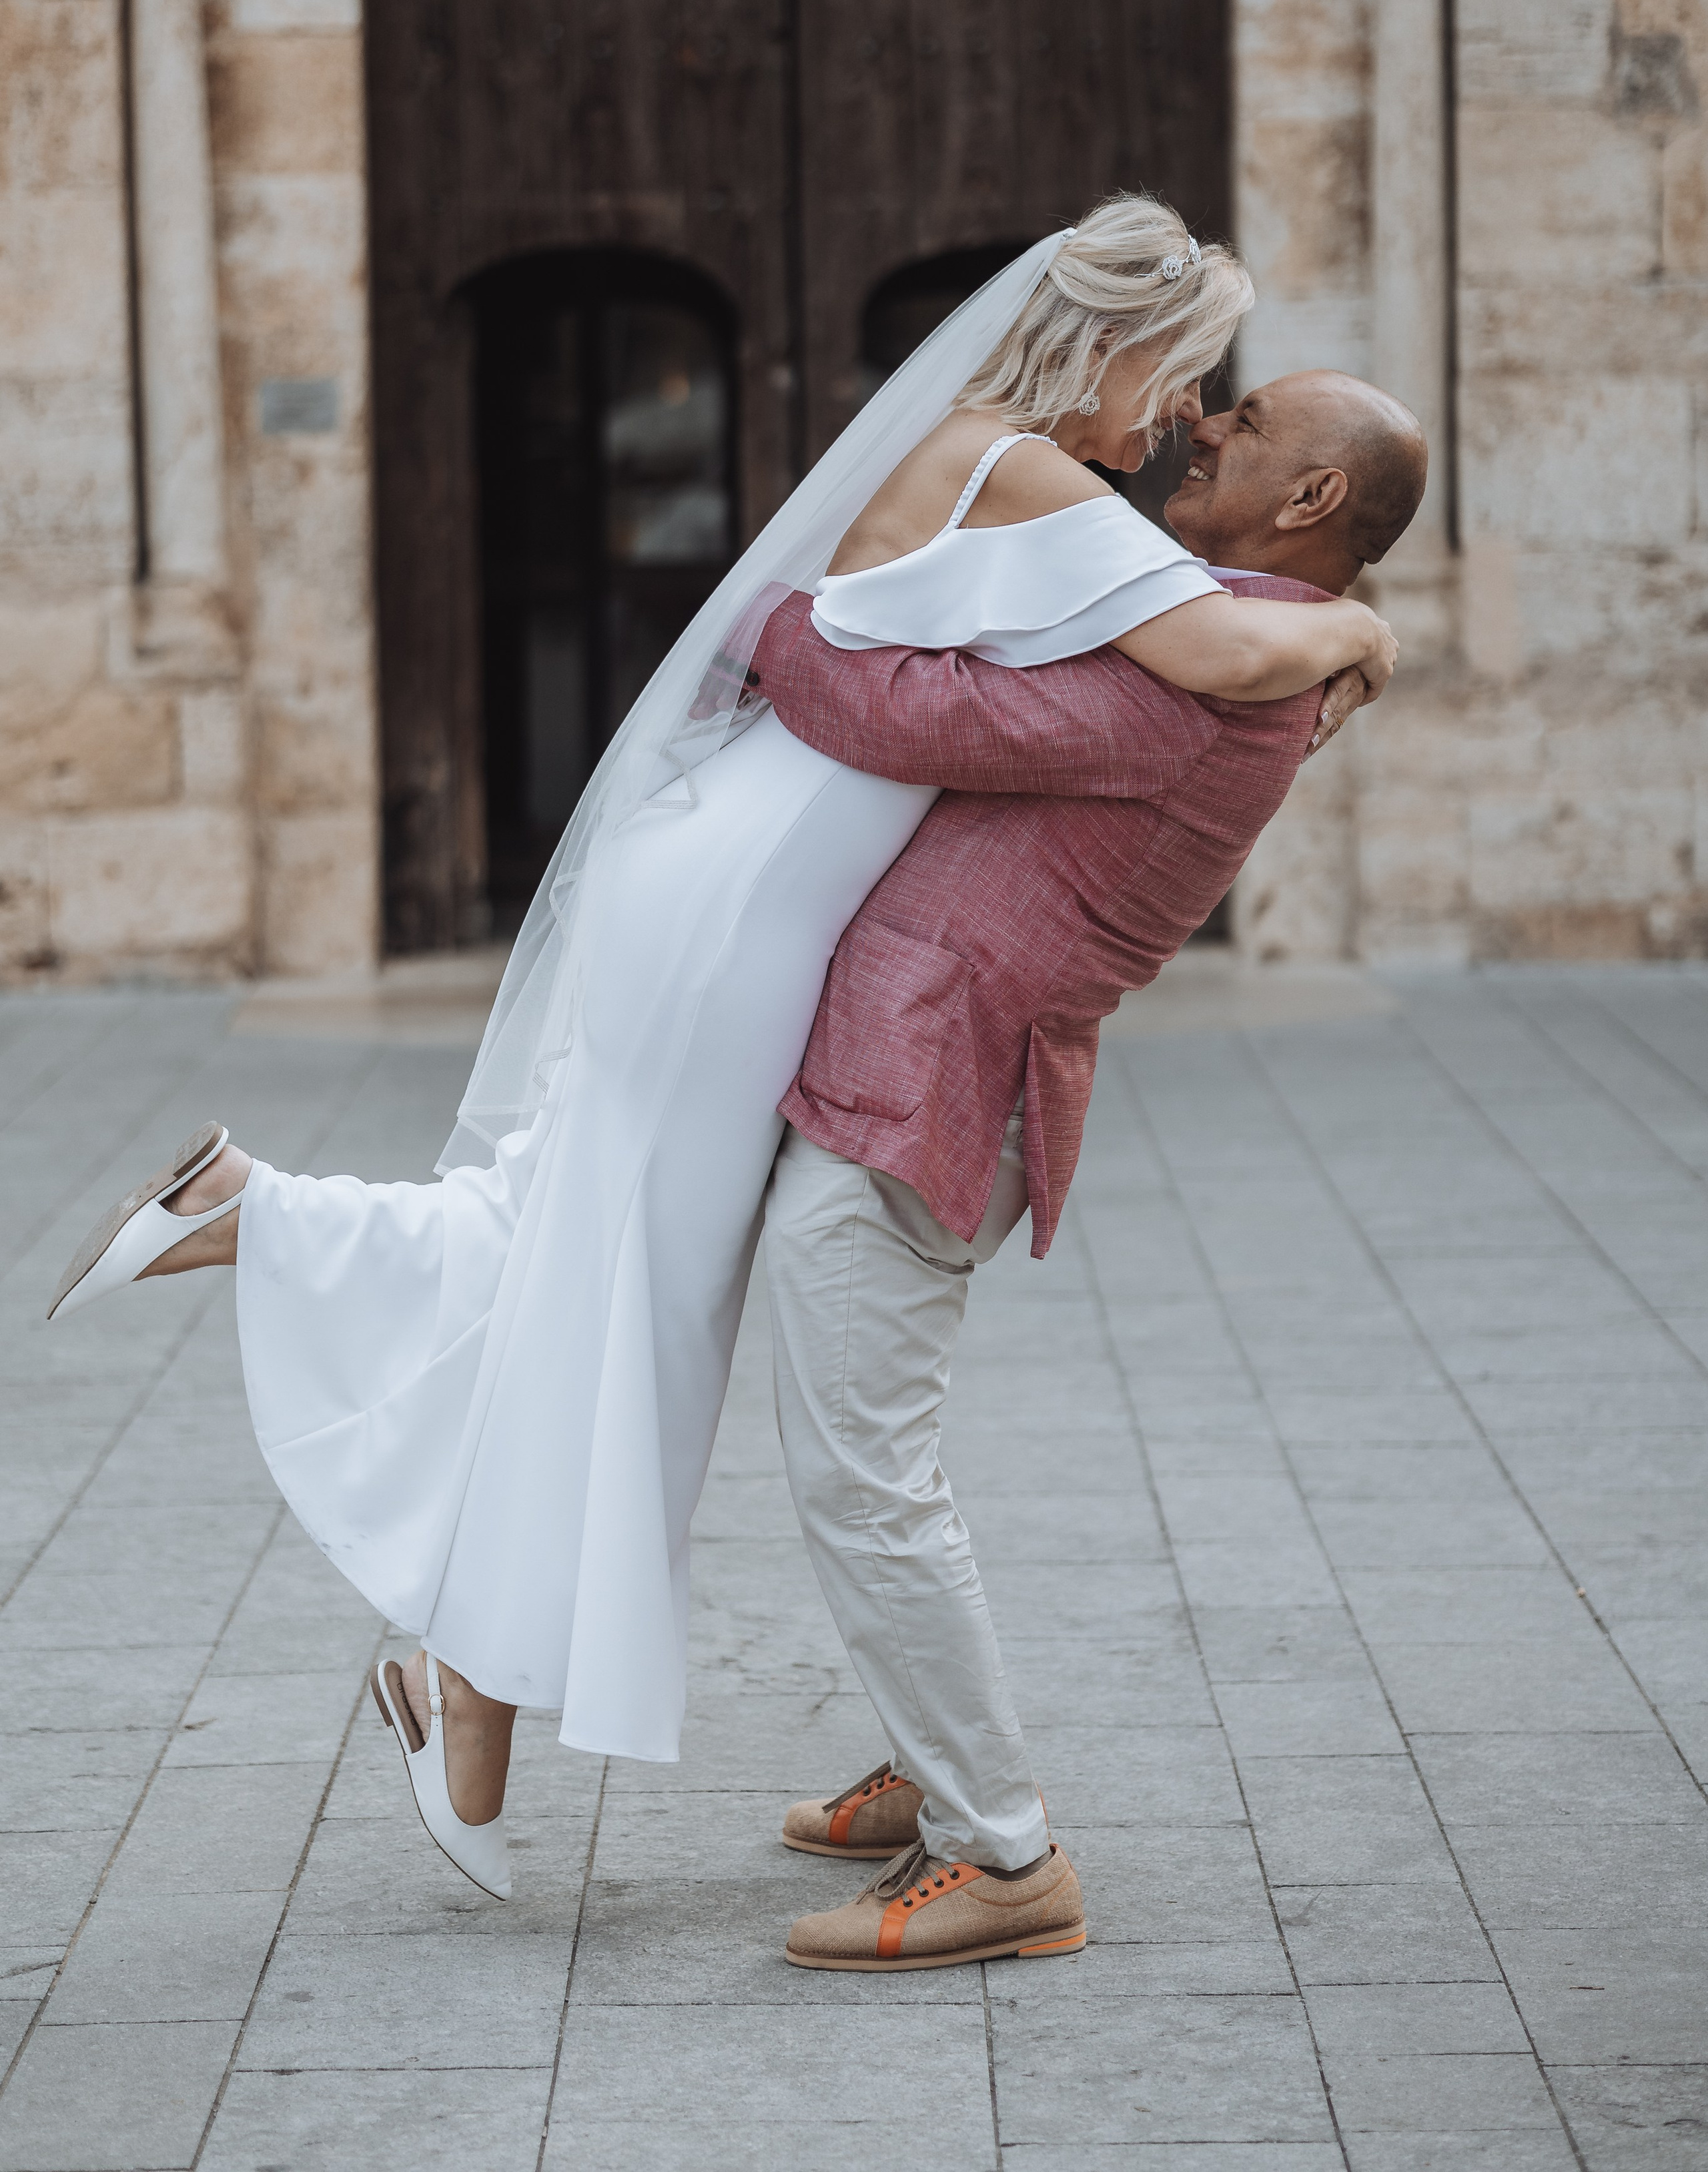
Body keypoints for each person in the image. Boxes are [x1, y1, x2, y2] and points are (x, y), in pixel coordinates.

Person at [43, 202, 1394, 1909]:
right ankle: (359, 1434)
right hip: (749, 912)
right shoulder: (1031, 482)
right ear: (1108, 344)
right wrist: (1360, 633)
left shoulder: (971, 452)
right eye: (1186, 375)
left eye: (1220, 399)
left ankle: (451, 1642)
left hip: (724, 885)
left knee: (580, 1260)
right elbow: (1214, 649)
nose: (1180, 417)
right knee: (631, 1307)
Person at [742, 368, 1428, 1970]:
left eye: (1245, 428)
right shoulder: (1230, 638)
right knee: (871, 1462)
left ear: (1311, 502)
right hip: (911, 1073)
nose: (1200, 427)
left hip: (927, 1086)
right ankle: (933, 1763)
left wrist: (762, 595)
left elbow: (889, 705)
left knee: (865, 1476)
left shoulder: (1220, 674)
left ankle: (1001, 1857)